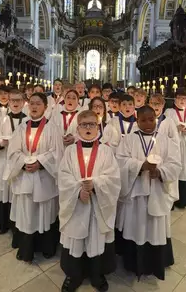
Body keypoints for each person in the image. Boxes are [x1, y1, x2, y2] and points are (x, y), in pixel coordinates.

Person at [58, 110, 121, 292]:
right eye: (84, 124)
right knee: (76, 240)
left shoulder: (105, 151)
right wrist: (77, 191)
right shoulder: (70, 151)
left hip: (97, 206)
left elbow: (114, 177)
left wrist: (96, 184)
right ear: (77, 128)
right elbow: (63, 176)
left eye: (92, 124)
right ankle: (73, 275)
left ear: (98, 127)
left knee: (96, 239)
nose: (88, 128)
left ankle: (97, 274)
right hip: (76, 206)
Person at [114, 106, 180, 280]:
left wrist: (160, 172)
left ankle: (155, 262)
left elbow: (175, 164)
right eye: (143, 120)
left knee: (154, 226)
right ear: (137, 121)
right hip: (135, 193)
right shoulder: (128, 139)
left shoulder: (165, 140)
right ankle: (133, 262)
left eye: (151, 119)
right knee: (136, 225)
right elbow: (120, 161)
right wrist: (140, 166)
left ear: (156, 119)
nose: (148, 123)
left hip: (157, 191)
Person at [6, 93, 64, 262]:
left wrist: (40, 162)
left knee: (44, 211)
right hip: (25, 176)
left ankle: (47, 246)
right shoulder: (22, 127)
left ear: (45, 107)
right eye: (31, 103)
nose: (34, 106)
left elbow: (57, 153)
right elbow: (13, 151)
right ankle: (26, 247)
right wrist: (24, 163)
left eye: (38, 103)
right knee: (26, 212)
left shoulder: (52, 128)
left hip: (44, 178)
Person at [0, 88, 27, 234]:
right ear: (8, 102)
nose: (15, 103)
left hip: (20, 163)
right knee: (5, 191)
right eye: (13, 100)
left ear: (24, 102)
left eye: (18, 100)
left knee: (18, 193)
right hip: (5, 161)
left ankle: (17, 224)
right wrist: (1, 143)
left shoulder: (28, 121)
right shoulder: (2, 119)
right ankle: (3, 223)